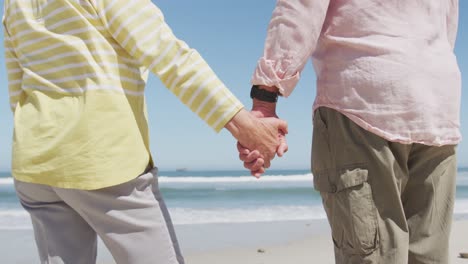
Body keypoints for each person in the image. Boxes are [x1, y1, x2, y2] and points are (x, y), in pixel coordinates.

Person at [3, 0, 288, 263]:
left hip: (35, 161)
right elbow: (171, 58)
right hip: (100, 156)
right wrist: (247, 128)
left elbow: (17, 92)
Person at [239, 0, 461, 263]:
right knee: (428, 257)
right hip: (437, 106)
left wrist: (265, 100)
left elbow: (301, 6)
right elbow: (446, 26)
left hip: (362, 104)